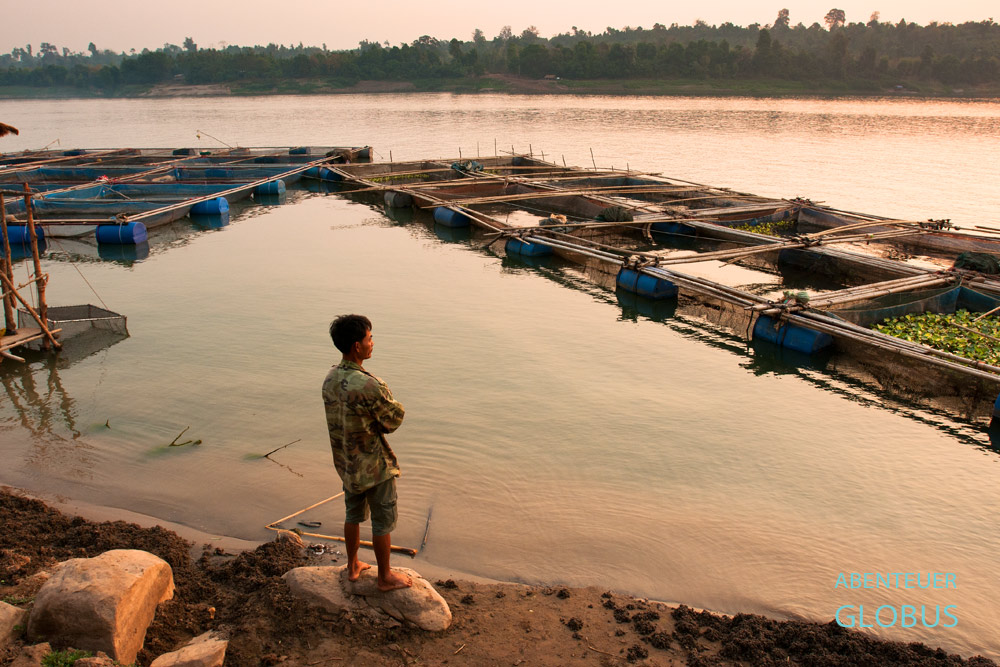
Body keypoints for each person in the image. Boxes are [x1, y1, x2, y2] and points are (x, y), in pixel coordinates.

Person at [323, 314, 412, 592]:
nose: (372, 343)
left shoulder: (330, 378)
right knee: (382, 519)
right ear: (356, 346)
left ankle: (353, 565)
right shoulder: (370, 385)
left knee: (353, 514)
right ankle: (385, 576)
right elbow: (393, 420)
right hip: (373, 465)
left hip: (347, 463)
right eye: (369, 338)